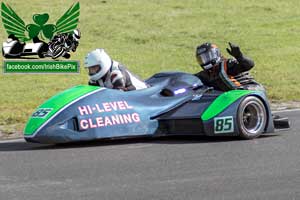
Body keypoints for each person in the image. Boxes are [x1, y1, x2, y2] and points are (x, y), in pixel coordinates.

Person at [194, 42, 264, 92]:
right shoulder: (205, 74)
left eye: (207, 57)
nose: (205, 61)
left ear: (216, 54)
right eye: (202, 59)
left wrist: (239, 56)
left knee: (235, 94)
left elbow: (249, 65)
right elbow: (191, 78)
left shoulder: (228, 64)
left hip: (252, 89)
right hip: (232, 97)